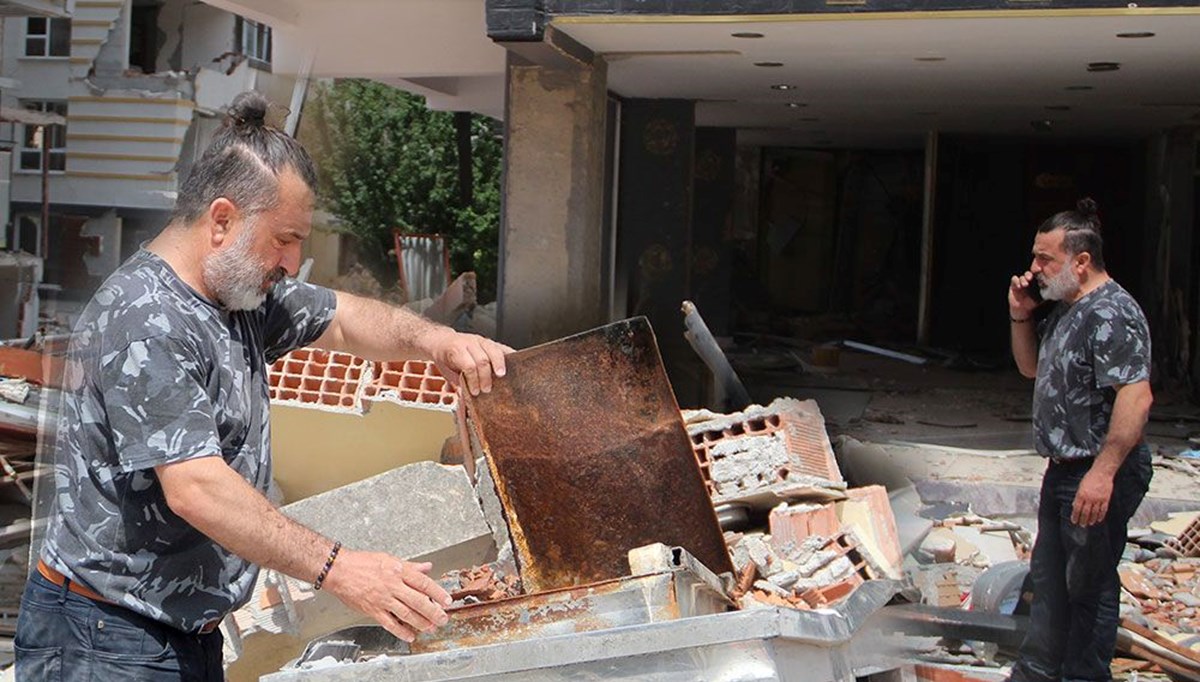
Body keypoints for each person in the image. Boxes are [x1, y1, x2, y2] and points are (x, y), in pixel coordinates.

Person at [15, 91, 512, 681]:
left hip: (178, 634)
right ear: (221, 220)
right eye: (284, 239)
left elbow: (346, 317)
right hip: (104, 639)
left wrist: (437, 343)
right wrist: (343, 569)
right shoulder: (146, 319)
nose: (294, 260)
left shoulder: (238, 295)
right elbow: (197, 490)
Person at [1007, 197, 1154, 682]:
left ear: (1081, 261)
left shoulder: (1112, 312)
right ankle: (1038, 671)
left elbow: (1136, 397)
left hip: (1096, 469)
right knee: (1049, 580)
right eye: (1035, 256)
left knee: (1087, 586)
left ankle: (1083, 675)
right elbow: (1030, 368)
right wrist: (1021, 315)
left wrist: (1103, 473)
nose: (1035, 268)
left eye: (1045, 258)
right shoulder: (1068, 310)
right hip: (1064, 468)